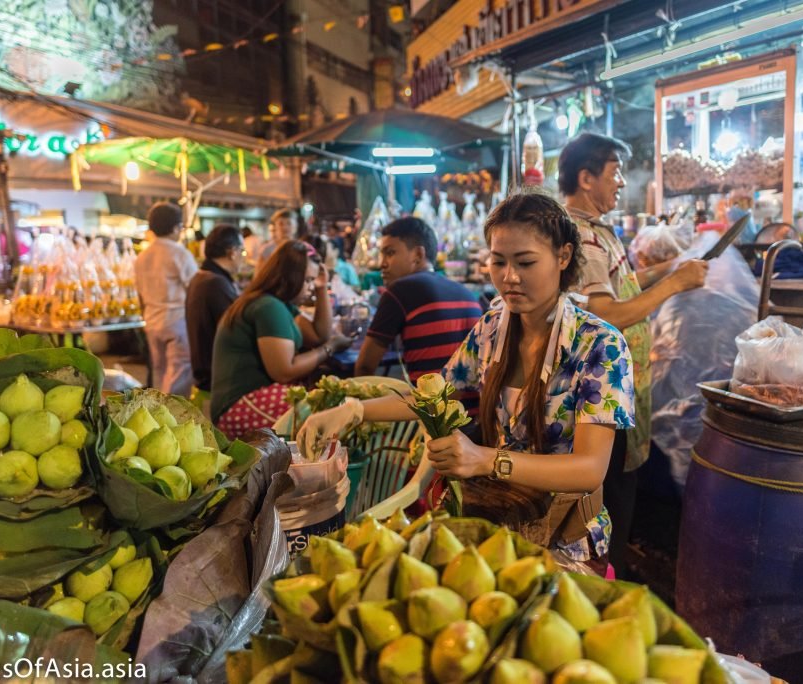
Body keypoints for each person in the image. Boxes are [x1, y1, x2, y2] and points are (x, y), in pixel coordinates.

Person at [300, 192, 635, 574]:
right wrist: (354, 410)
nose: (509, 277)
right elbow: (433, 395)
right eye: (498, 261)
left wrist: (485, 459)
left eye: (525, 262)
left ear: (563, 256)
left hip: (564, 537)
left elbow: (589, 469)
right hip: (496, 524)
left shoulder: (600, 345)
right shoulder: (492, 328)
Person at [559, 132, 708, 575]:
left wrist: (667, 270)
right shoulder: (583, 237)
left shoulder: (597, 232)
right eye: (614, 172)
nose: (621, 182)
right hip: (603, 395)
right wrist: (675, 285)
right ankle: (606, 587)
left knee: (619, 502)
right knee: (610, 511)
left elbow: (619, 287)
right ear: (586, 178)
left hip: (618, 390)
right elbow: (606, 314)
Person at [210, 240, 352, 436]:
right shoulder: (268, 307)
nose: (311, 287)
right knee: (331, 417)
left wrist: (322, 288)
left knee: (330, 406)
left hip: (247, 399)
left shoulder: (280, 304)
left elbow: (319, 335)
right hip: (237, 406)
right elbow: (285, 371)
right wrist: (330, 348)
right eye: (308, 280)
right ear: (290, 277)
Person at [355, 218, 482, 398]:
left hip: (434, 412)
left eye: (390, 253)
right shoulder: (467, 293)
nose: (381, 263)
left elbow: (365, 367)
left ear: (418, 255)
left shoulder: (399, 291)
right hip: (477, 412)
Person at [134, 202, 198, 398]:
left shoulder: (142, 256)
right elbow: (195, 288)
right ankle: (170, 412)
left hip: (152, 320)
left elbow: (139, 292)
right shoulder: (179, 253)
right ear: (175, 228)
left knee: (159, 371)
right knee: (179, 372)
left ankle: (155, 408)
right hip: (176, 320)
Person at [186, 224, 244, 409]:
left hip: (205, 376)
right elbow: (236, 332)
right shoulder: (215, 283)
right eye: (242, 252)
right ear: (232, 252)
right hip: (216, 381)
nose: (242, 257)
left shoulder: (201, 277)